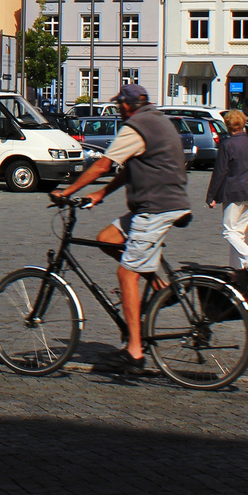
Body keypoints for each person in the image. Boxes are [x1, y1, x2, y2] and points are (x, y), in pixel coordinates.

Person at [54, 84, 190, 374]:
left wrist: (68, 192)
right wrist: (102, 194)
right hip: (164, 202)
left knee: (126, 273)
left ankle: (135, 352)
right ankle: (159, 287)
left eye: (118, 105)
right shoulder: (156, 119)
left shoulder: (135, 127)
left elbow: (103, 165)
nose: (117, 108)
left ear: (128, 106)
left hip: (156, 207)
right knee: (108, 239)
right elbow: (130, 169)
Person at [209, 110, 248, 293]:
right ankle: (236, 270)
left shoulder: (227, 144)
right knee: (238, 234)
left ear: (227, 125)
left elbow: (220, 172)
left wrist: (212, 196)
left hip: (233, 193)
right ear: (243, 124)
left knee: (229, 232)